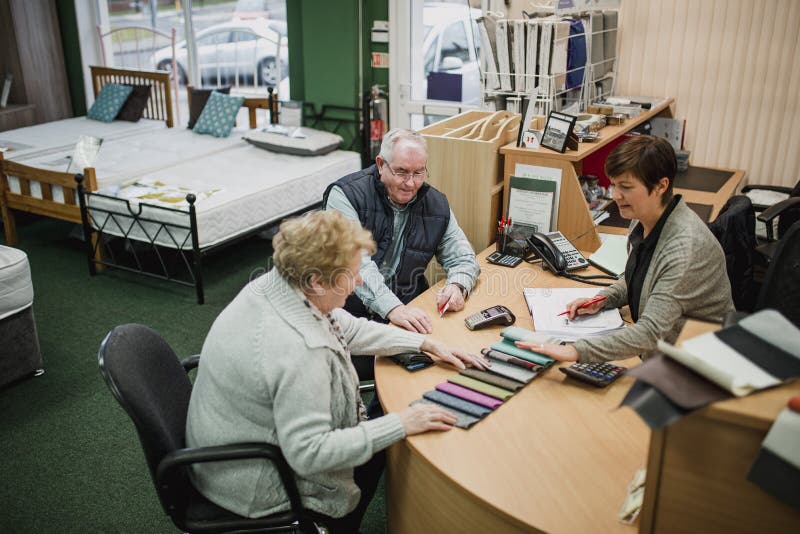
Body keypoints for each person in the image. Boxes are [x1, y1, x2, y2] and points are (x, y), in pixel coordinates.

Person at [185, 210, 487, 533]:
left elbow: (348, 328)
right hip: (252, 484)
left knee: (383, 436)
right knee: (390, 438)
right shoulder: (299, 350)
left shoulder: (280, 285)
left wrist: (425, 344)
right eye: (352, 274)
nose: (359, 281)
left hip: (228, 442)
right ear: (316, 280)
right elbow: (309, 453)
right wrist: (401, 422)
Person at [517, 135, 734, 362]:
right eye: (613, 185)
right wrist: (603, 299)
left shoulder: (685, 248)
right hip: (663, 347)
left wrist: (575, 351)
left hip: (698, 359)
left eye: (626, 187)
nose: (616, 195)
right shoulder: (643, 217)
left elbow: (651, 333)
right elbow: (640, 275)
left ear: (661, 185)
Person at [323, 128, 480, 335]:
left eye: (418, 172)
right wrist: (393, 308)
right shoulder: (346, 195)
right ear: (380, 164)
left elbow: (463, 258)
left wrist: (458, 285)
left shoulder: (436, 204)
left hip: (407, 309)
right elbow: (356, 265)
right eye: (402, 172)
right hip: (348, 311)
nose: (411, 183)